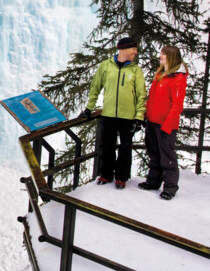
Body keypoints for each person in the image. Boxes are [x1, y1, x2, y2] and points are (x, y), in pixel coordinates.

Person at [79, 37, 148, 189]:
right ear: (122, 49)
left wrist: (138, 117)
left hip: (128, 116)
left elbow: (141, 95)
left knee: (125, 148)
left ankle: (121, 178)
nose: (136, 52)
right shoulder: (105, 66)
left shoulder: (135, 70)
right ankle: (106, 175)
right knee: (107, 147)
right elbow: (95, 87)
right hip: (109, 114)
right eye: (133, 49)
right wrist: (89, 109)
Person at [138, 46, 188, 200]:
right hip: (153, 121)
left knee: (167, 156)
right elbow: (152, 99)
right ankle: (153, 181)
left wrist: (167, 126)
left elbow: (177, 106)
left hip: (165, 125)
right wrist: (146, 115)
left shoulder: (178, 79)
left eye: (163, 54)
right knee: (154, 153)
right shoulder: (161, 75)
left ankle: (170, 187)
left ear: (171, 57)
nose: (160, 56)